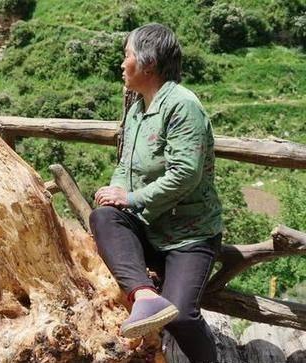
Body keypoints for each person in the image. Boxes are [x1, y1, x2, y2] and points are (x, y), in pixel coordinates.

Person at [89, 24, 223, 363]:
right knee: (104, 216)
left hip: (189, 236)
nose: (122, 64)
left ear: (148, 64)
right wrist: (115, 191)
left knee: (180, 315)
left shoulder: (182, 106)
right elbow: (126, 166)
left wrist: (130, 199)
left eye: (128, 55)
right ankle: (145, 294)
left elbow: (186, 174)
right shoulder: (137, 109)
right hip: (150, 226)